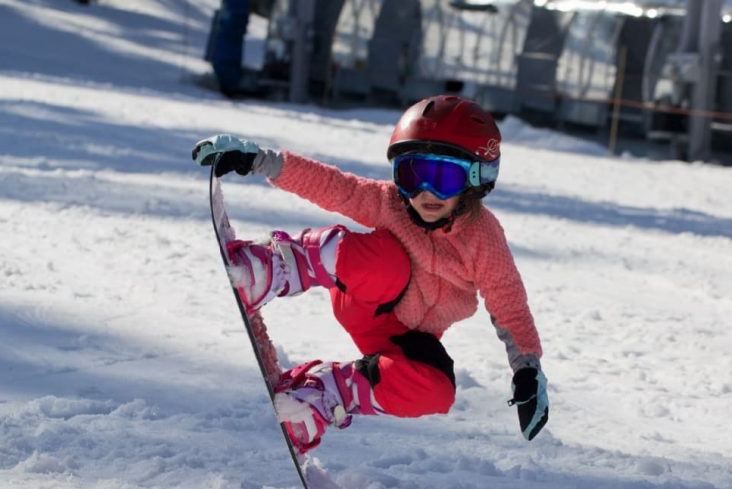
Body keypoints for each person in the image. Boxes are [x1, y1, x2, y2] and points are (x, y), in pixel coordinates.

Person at [192, 95, 548, 453]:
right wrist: (262, 162)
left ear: (476, 179)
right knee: (388, 261)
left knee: (437, 390)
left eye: (443, 177)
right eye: (413, 174)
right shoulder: (392, 204)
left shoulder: (484, 239)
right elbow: (336, 188)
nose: (426, 192)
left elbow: (508, 304)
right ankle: (274, 267)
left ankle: (324, 393)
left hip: (399, 337)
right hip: (363, 297)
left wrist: (526, 369)